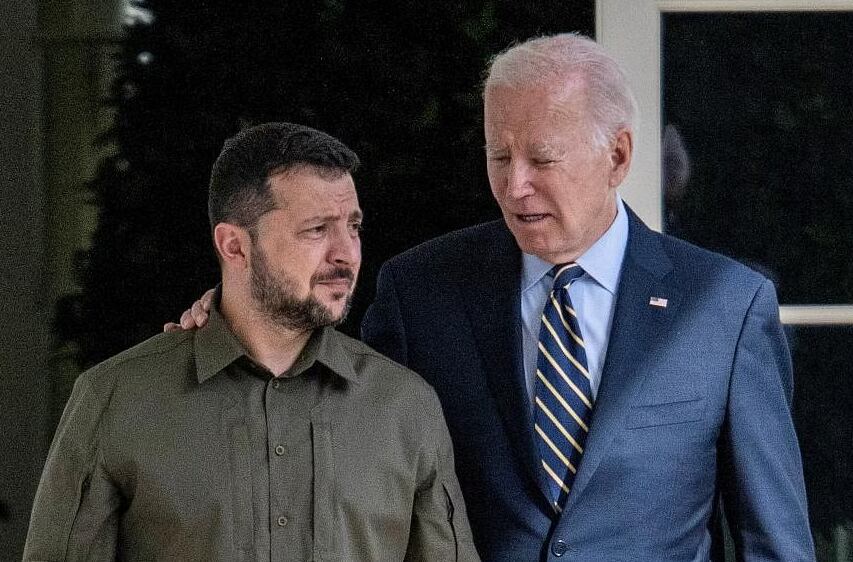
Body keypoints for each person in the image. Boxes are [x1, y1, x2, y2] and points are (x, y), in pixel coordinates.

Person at [173, 35, 816, 561]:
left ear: (617, 155)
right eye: (498, 155)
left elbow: (773, 540)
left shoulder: (726, 307)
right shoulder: (421, 290)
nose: (515, 184)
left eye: (542, 158)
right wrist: (235, 318)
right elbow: (334, 432)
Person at [24, 122, 478, 561]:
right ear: (235, 246)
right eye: (317, 230)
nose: (347, 253)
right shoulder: (116, 399)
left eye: (353, 227)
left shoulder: (406, 407)